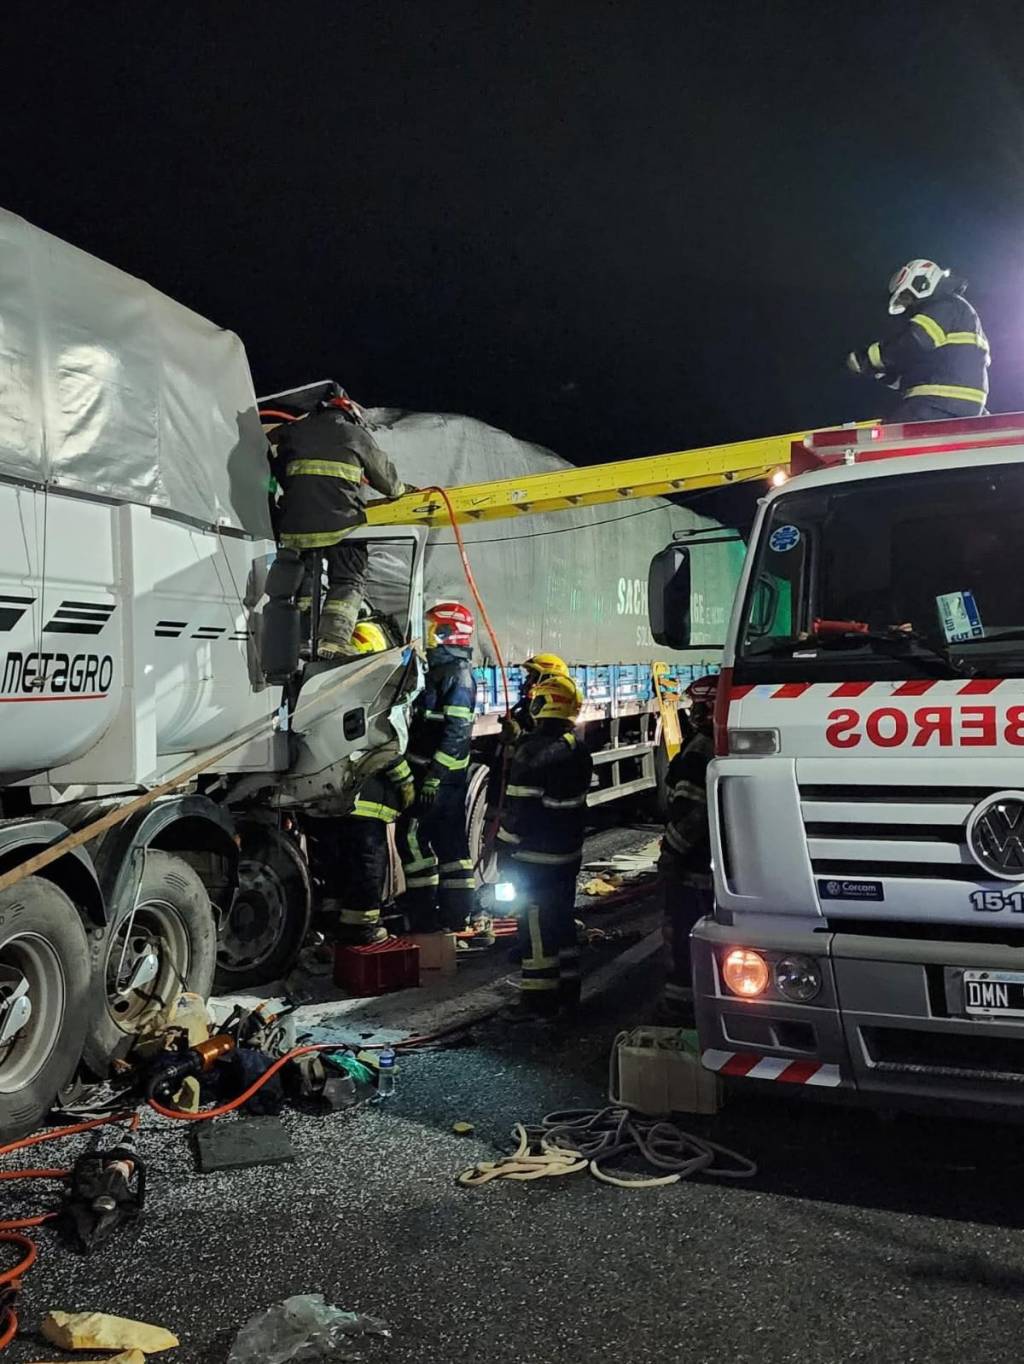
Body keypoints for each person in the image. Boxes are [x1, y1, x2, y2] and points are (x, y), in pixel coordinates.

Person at [264, 383, 408, 659]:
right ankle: (332, 639)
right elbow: (389, 483)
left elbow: (280, 464)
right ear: (350, 413)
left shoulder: (295, 432)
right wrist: (401, 490)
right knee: (349, 578)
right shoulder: (354, 434)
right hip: (342, 524)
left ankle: (304, 637)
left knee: (306, 581)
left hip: (294, 528)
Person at [312, 621, 415, 944]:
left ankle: (331, 924)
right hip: (364, 803)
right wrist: (407, 783)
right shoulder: (373, 695)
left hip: (327, 800)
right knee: (366, 868)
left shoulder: (325, 687)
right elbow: (384, 749)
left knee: (334, 865)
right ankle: (362, 929)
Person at [497, 674, 592, 1016]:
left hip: (536, 856)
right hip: (567, 853)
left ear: (546, 703)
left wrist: (503, 846)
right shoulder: (575, 747)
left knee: (535, 924)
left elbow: (520, 810)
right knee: (560, 919)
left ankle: (538, 1000)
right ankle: (568, 989)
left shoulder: (532, 752)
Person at [397, 602, 478, 933]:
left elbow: (457, 734)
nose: (426, 637)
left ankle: (426, 913)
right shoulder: (440, 672)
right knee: (449, 847)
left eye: (432, 630)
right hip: (434, 776)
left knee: (415, 839)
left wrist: (433, 779)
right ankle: (451, 914)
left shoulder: (457, 676)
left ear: (448, 633)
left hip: (440, 780)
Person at [846, 260, 989, 422]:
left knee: (894, 441)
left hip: (938, 400)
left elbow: (915, 341)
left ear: (921, 283)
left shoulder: (945, 306)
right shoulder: (957, 311)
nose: (907, 305)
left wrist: (869, 357)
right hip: (956, 403)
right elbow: (913, 368)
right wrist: (881, 372)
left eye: (906, 297)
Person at [658, 674, 717, 1020]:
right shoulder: (721, 746)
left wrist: (671, 854)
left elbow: (690, 815)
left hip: (692, 869)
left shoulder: (696, 753)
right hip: (713, 868)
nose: (693, 711)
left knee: (682, 938)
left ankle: (680, 1012)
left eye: (698, 705)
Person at [503, 653, 572, 741]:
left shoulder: (553, 710)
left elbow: (545, 741)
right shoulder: (530, 704)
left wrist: (518, 734)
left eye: (533, 677)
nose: (528, 682)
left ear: (549, 680)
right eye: (529, 676)